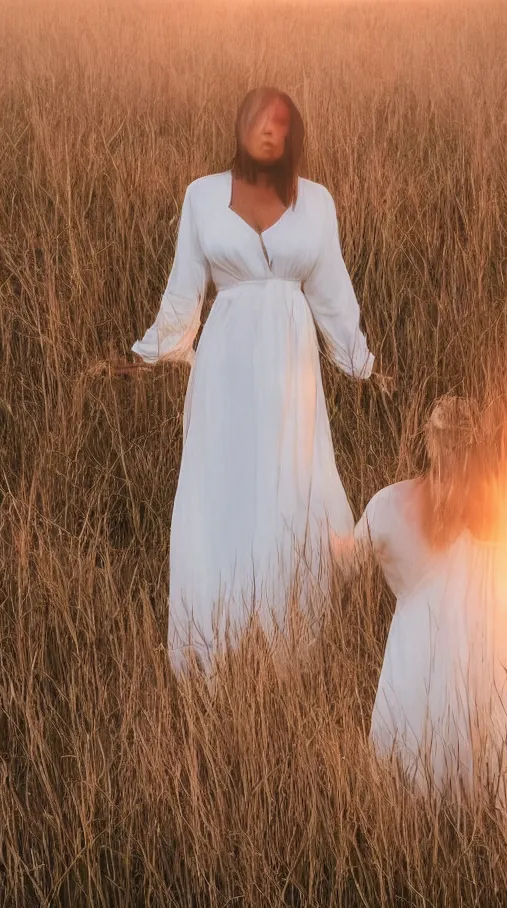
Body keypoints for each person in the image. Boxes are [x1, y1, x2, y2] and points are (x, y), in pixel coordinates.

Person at [124, 86, 389, 677]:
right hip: (225, 361)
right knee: (223, 486)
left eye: (282, 122)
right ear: (241, 125)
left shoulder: (316, 202)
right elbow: (183, 290)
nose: (271, 129)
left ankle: (289, 644)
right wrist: (151, 354)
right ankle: (216, 640)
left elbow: (332, 291)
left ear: (293, 135)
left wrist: (361, 363)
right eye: (261, 120)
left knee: (288, 484)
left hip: (290, 364)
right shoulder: (203, 195)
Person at [334, 397, 507, 813]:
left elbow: (343, 567)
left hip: (415, 672)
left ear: (430, 443)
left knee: (408, 788)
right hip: (486, 677)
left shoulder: (391, 505)